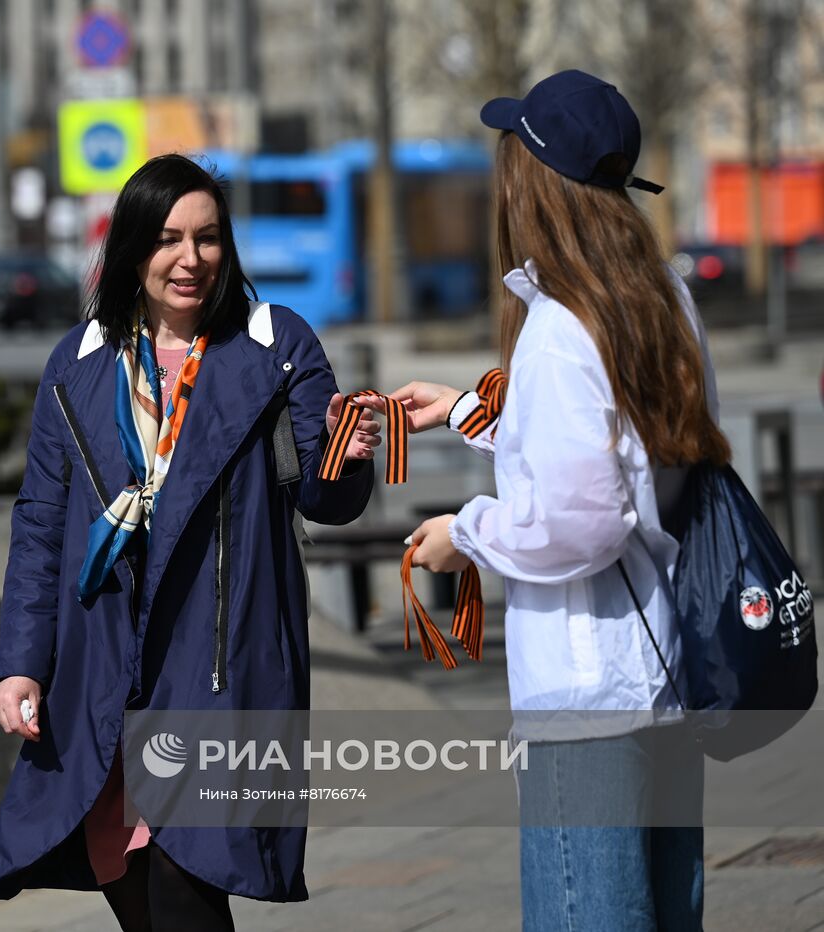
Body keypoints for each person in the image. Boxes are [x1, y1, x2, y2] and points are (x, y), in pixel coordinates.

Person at [0, 154, 380, 930]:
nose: (189, 259)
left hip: (219, 670)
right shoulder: (81, 363)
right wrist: (19, 666)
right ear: (133, 249)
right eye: (168, 238)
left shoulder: (275, 346)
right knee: (125, 875)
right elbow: (39, 525)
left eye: (208, 239)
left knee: (188, 888)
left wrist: (345, 448)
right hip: (103, 671)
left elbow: (330, 503)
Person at [392, 70, 729, 931]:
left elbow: (583, 519)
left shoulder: (559, 326)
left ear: (531, 180)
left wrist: (463, 534)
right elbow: (626, 468)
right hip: (662, 675)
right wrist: (472, 413)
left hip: (584, 702)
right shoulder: (660, 300)